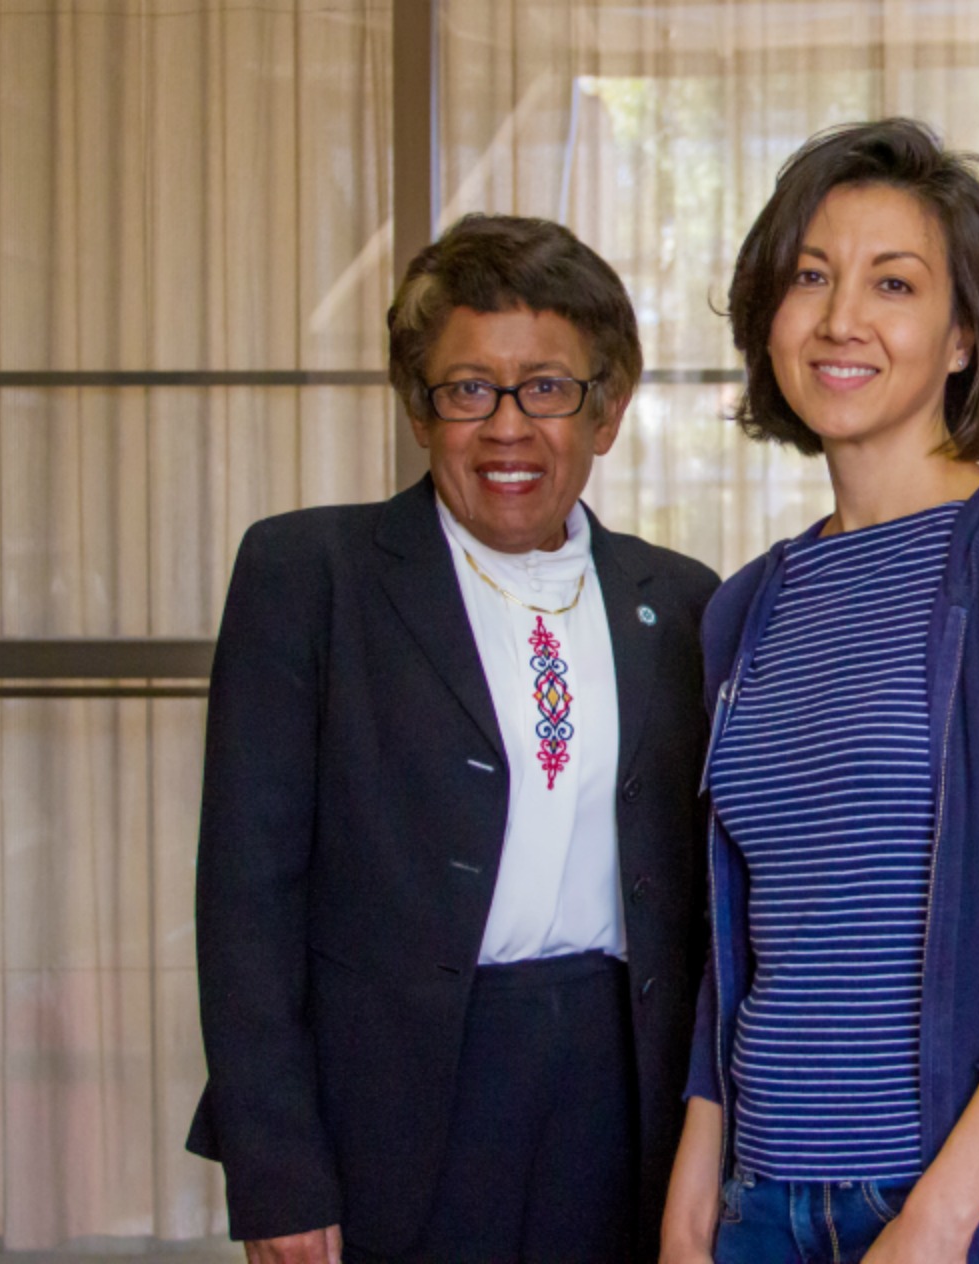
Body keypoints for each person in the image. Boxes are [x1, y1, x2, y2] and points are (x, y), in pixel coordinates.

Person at [656, 119, 979, 1264]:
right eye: (809, 277)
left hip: (965, 1208)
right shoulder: (744, 608)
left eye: (894, 283)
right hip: (760, 1205)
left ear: (962, 334)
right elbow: (742, 934)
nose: (841, 319)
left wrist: (938, 1217)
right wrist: (694, 1195)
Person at [187, 213, 718, 1263]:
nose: (507, 425)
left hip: (620, 1097)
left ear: (605, 411)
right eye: (468, 388)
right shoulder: (311, 577)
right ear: (421, 412)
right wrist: (278, 1169)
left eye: (547, 387)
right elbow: (244, 901)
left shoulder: (686, 603)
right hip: (392, 1107)